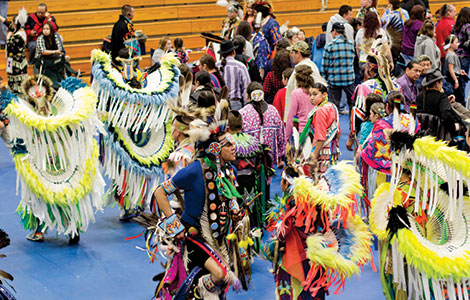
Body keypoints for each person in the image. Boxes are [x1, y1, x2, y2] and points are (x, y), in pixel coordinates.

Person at [154, 100, 244, 299]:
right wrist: (173, 225)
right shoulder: (194, 170)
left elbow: (227, 201)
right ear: (214, 148)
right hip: (194, 237)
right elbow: (159, 193)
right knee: (219, 275)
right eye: (228, 144)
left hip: (217, 239)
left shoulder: (228, 172)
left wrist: (235, 214)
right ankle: (198, 288)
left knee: (220, 289)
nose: (233, 147)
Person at [240, 82, 284, 223]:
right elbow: (281, 134)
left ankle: (253, 218)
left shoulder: (243, 113)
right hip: (268, 159)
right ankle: (265, 215)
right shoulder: (272, 111)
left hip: (249, 159)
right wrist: (281, 154)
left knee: (250, 188)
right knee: (265, 185)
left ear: (248, 96)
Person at [302, 82, 341, 175]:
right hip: (332, 147)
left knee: (321, 179)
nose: (311, 97)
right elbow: (338, 130)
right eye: (310, 94)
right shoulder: (332, 106)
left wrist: (314, 156)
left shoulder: (320, 110)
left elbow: (321, 137)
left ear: (324, 95)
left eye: (315, 94)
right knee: (331, 178)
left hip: (322, 150)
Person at [284, 41, 326, 122]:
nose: (291, 55)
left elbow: (298, 92)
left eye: (292, 52)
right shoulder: (312, 65)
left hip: (301, 115)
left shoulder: (300, 69)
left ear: (298, 53)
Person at [321, 22, 356, 112]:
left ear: (335, 31)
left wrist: (326, 78)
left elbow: (324, 66)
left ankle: (335, 125)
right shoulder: (350, 44)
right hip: (349, 79)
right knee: (352, 106)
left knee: (334, 108)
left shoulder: (329, 45)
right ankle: (353, 125)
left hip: (334, 80)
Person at [416, 70, 461, 136]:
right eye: (441, 81)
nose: (442, 83)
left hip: (421, 132)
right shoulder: (441, 97)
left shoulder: (420, 96)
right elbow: (446, 115)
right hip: (439, 133)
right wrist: (454, 127)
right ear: (437, 83)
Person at [216, 40, 250, 110]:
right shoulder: (240, 66)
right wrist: (246, 105)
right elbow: (246, 87)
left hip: (220, 103)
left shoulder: (216, 66)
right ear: (234, 52)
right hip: (235, 102)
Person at [285, 65, 315, 141]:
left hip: (301, 132)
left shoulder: (296, 93)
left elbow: (291, 116)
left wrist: (286, 136)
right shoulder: (315, 92)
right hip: (314, 131)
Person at [0, 9, 28, 93]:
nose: (11, 24)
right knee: (11, 80)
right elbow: (8, 24)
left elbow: (9, 45)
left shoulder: (19, 36)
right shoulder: (18, 31)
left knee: (17, 81)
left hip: (17, 63)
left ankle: (18, 97)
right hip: (12, 61)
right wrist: (1, 17)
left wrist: (8, 36)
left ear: (16, 24)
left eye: (13, 23)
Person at [34, 22, 66, 89]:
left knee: (63, 59)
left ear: (51, 30)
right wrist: (55, 51)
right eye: (44, 29)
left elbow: (59, 49)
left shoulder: (55, 36)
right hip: (41, 59)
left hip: (52, 57)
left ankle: (62, 79)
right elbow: (43, 52)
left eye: (47, 29)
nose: (45, 31)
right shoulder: (40, 38)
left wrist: (60, 54)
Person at [452, 7, 470, 97]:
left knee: (458, 78)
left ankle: (459, 97)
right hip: (465, 55)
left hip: (456, 55)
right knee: (465, 79)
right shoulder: (467, 26)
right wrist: (463, 44)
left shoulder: (455, 26)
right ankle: (464, 98)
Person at [445, 34, 467, 104]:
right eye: (456, 42)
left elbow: (454, 68)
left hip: (456, 76)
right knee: (458, 97)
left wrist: (459, 71)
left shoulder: (452, 54)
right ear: (451, 44)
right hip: (454, 78)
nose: (458, 44)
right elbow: (451, 69)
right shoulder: (450, 55)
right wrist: (456, 81)